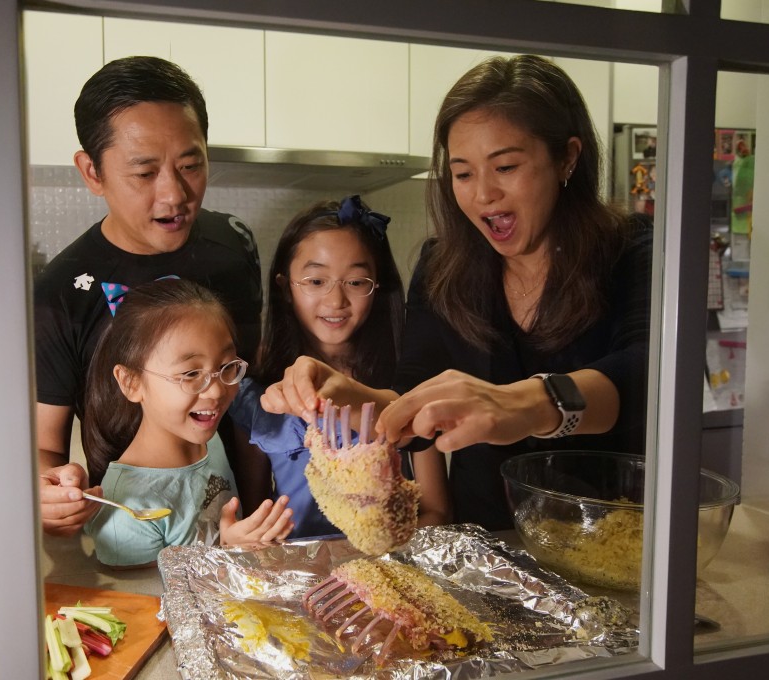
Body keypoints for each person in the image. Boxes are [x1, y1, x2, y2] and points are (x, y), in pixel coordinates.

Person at [261, 54, 652, 530]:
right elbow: (413, 399)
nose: (483, 194)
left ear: (567, 157)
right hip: (486, 543)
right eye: (463, 174)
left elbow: (648, 377)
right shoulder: (443, 267)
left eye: (505, 166)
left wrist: (527, 403)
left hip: (610, 535)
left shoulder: (630, 251)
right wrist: (350, 395)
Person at [33, 56, 263, 536]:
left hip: (238, 532)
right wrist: (48, 491)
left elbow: (250, 396)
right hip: (135, 532)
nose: (174, 195)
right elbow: (44, 445)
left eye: (190, 165)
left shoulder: (233, 248)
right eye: (144, 172)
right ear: (92, 172)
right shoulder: (62, 290)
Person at [229, 195, 447, 538]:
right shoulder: (257, 392)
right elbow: (257, 516)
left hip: (390, 558)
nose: (336, 301)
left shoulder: (408, 381)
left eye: (356, 282)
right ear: (285, 287)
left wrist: (380, 552)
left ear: (378, 287)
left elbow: (436, 509)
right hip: (295, 566)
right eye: (316, 281)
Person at [80, 278, 294, 567]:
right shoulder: (126, 513)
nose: (216, 391)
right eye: (191, 374)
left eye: (225, 366)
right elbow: (142, 594)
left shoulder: (207, 438)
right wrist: (227, 553)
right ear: (131, 382)